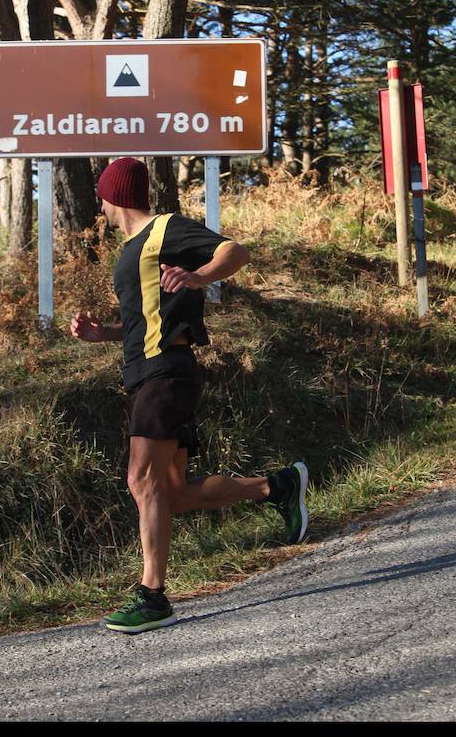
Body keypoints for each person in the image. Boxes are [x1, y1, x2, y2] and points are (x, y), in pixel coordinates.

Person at [70, 157, 308, 634]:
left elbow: (235, 252)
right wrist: (106, 334)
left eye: (101, 195)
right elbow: (146, 320)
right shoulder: (131, 250)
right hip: (149, 371)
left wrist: (201, 277)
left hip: (165, 374)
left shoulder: (166, 230)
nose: (99, 203)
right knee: (172, 492)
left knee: (142, 480)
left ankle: (152, 596)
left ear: (111, 195)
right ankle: (277, 486)